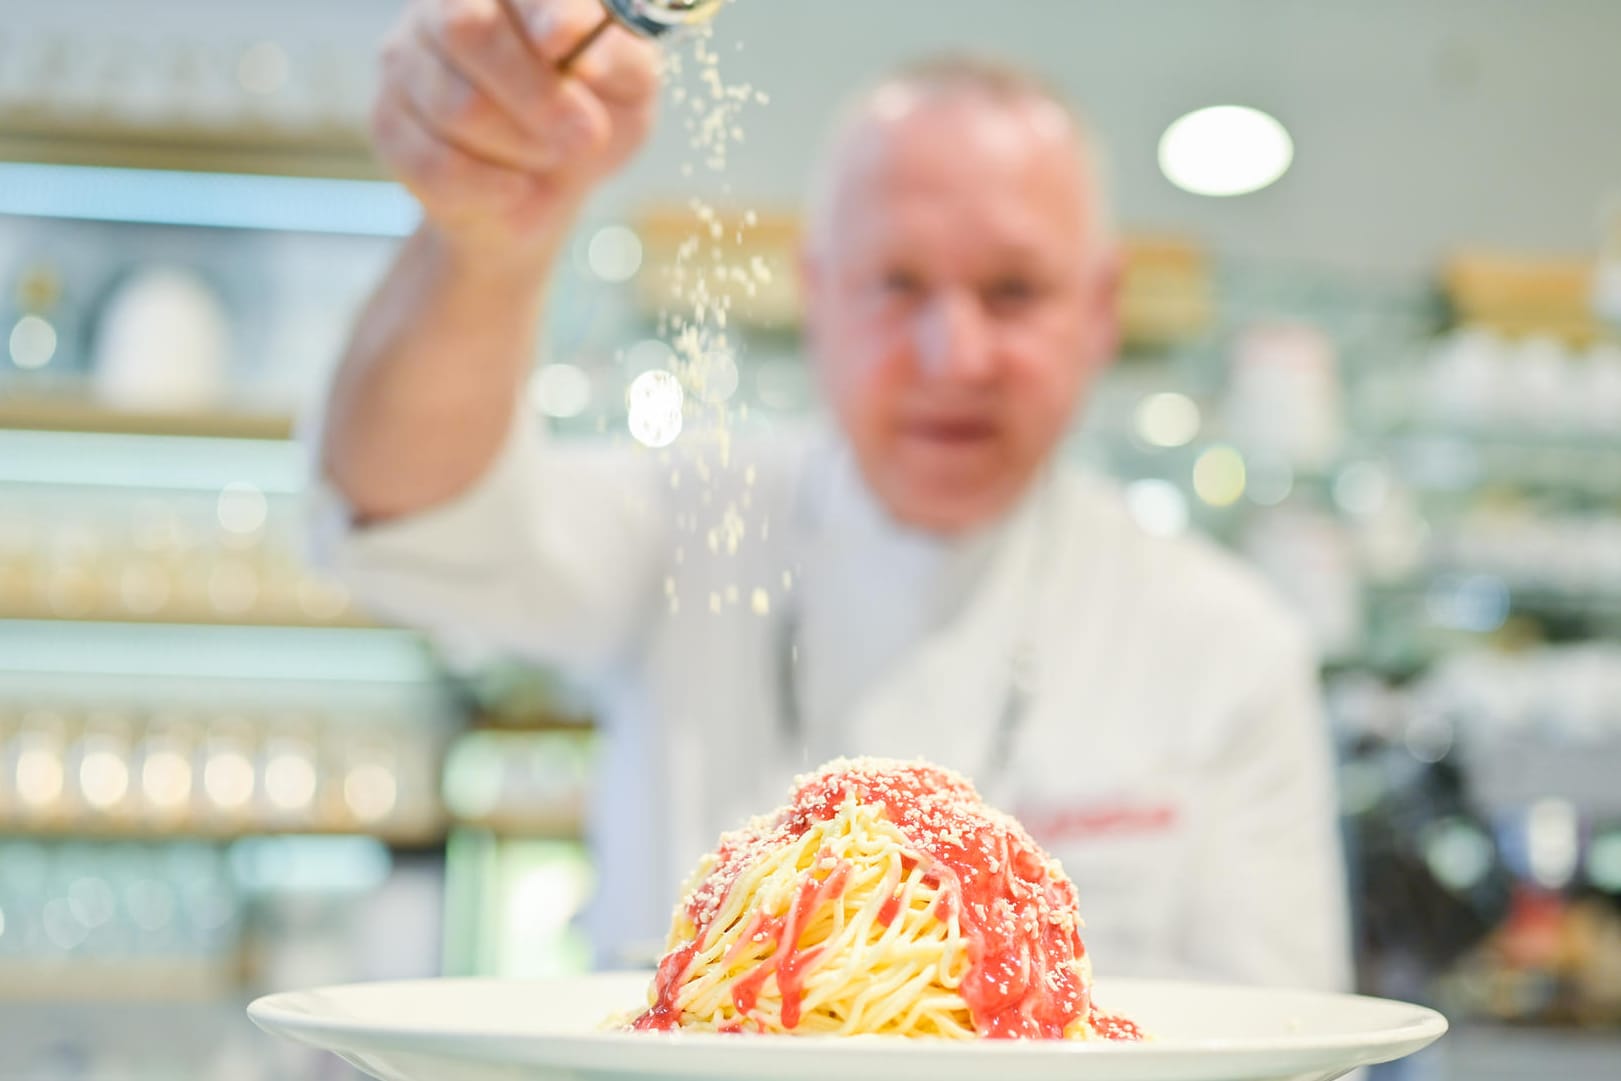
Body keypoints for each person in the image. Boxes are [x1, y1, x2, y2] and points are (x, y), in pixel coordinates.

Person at [310, 0, 1352, 990]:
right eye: (897, 284)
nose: (955, 354)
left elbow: (1286, 1032)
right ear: (815, 296)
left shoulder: (1224, 643)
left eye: (1013, 291)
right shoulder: (689, 524)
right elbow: (410, 517)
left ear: (1098, 311)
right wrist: (485, 242)